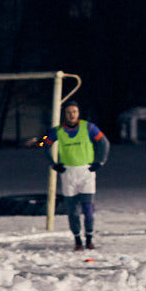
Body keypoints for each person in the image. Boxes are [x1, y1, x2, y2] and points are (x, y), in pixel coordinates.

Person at [44, 100, 109, 251]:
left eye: (74, 112)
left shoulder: (89, 127)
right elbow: (44, 145)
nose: (71, 115)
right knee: (72, 211)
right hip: (68, 173)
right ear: (64, 114)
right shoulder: (57, 131)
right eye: (68, 112)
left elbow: (104, 143)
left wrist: (100, 162)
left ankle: (89, 238)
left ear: (78, 113)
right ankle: (77, 240)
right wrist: (53, 163)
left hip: (86, 172)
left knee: (88, 209)